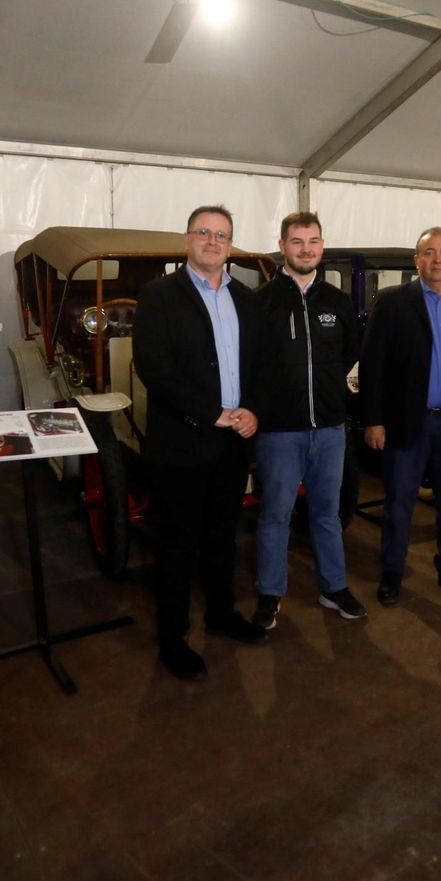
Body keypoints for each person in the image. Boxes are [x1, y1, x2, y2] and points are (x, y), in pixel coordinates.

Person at [133, 205, 269, 680]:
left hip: (233, 443)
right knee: (177, 543)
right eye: (205, 233)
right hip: (183, 443)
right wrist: (210, 413)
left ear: (231, 245)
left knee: (221, 536)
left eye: (223, 235)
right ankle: (173, 639)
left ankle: (221, 614)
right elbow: (154, 367)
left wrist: (253, 409)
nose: (213, 241)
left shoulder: (248, 300)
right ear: (188, 239)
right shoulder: (158, 296)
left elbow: (258, 367)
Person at [358, 227, 441, 606]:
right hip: (406, 422)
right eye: (429, 252)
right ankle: (392, 572)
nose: (437, 260)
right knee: (399, 503)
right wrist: (373, 419)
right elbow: (373, 366)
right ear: (417, 260)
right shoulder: (393, 302)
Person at [248, 212, 366, 628]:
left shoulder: (337, 302)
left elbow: (352, 359)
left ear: (322, 245)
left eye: (313, 241)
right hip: (279, 433)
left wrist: (342, 408)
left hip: (331, 432)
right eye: (297, 242)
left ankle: (333, 587)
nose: (306, 250)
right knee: (275, 516)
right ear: (282, 247)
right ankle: (269, 594)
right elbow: (247, 366)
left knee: (327, 516)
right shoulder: (259, 303)